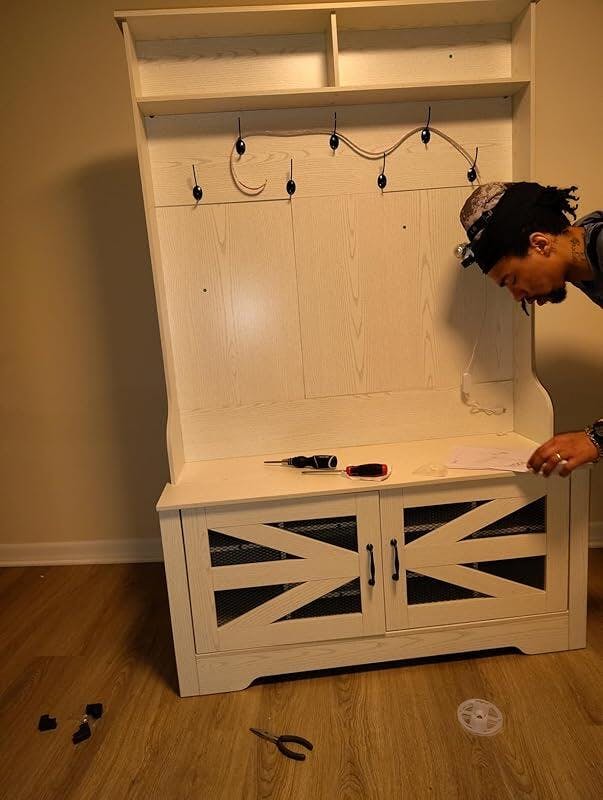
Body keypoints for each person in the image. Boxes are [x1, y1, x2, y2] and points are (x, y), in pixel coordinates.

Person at [456, 181, 603, 478]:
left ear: (540, 244)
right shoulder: (581, 257)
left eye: (512, 280)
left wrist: (596, 439)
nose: (517, 296)